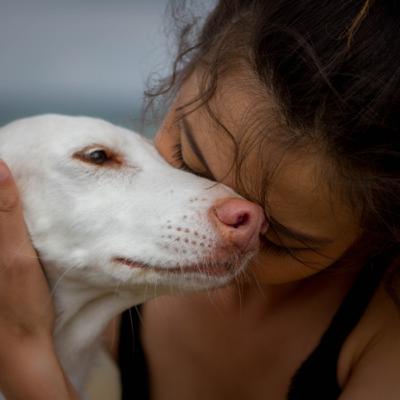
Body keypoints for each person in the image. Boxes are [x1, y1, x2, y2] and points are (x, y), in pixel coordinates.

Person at [0, 0, 399, 399]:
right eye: (189, 163)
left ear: (380, 234)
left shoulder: (385, 344)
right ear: (184, 76)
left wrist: (26, 354)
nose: (228, 206)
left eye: (280, 237)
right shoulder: (107, 283)